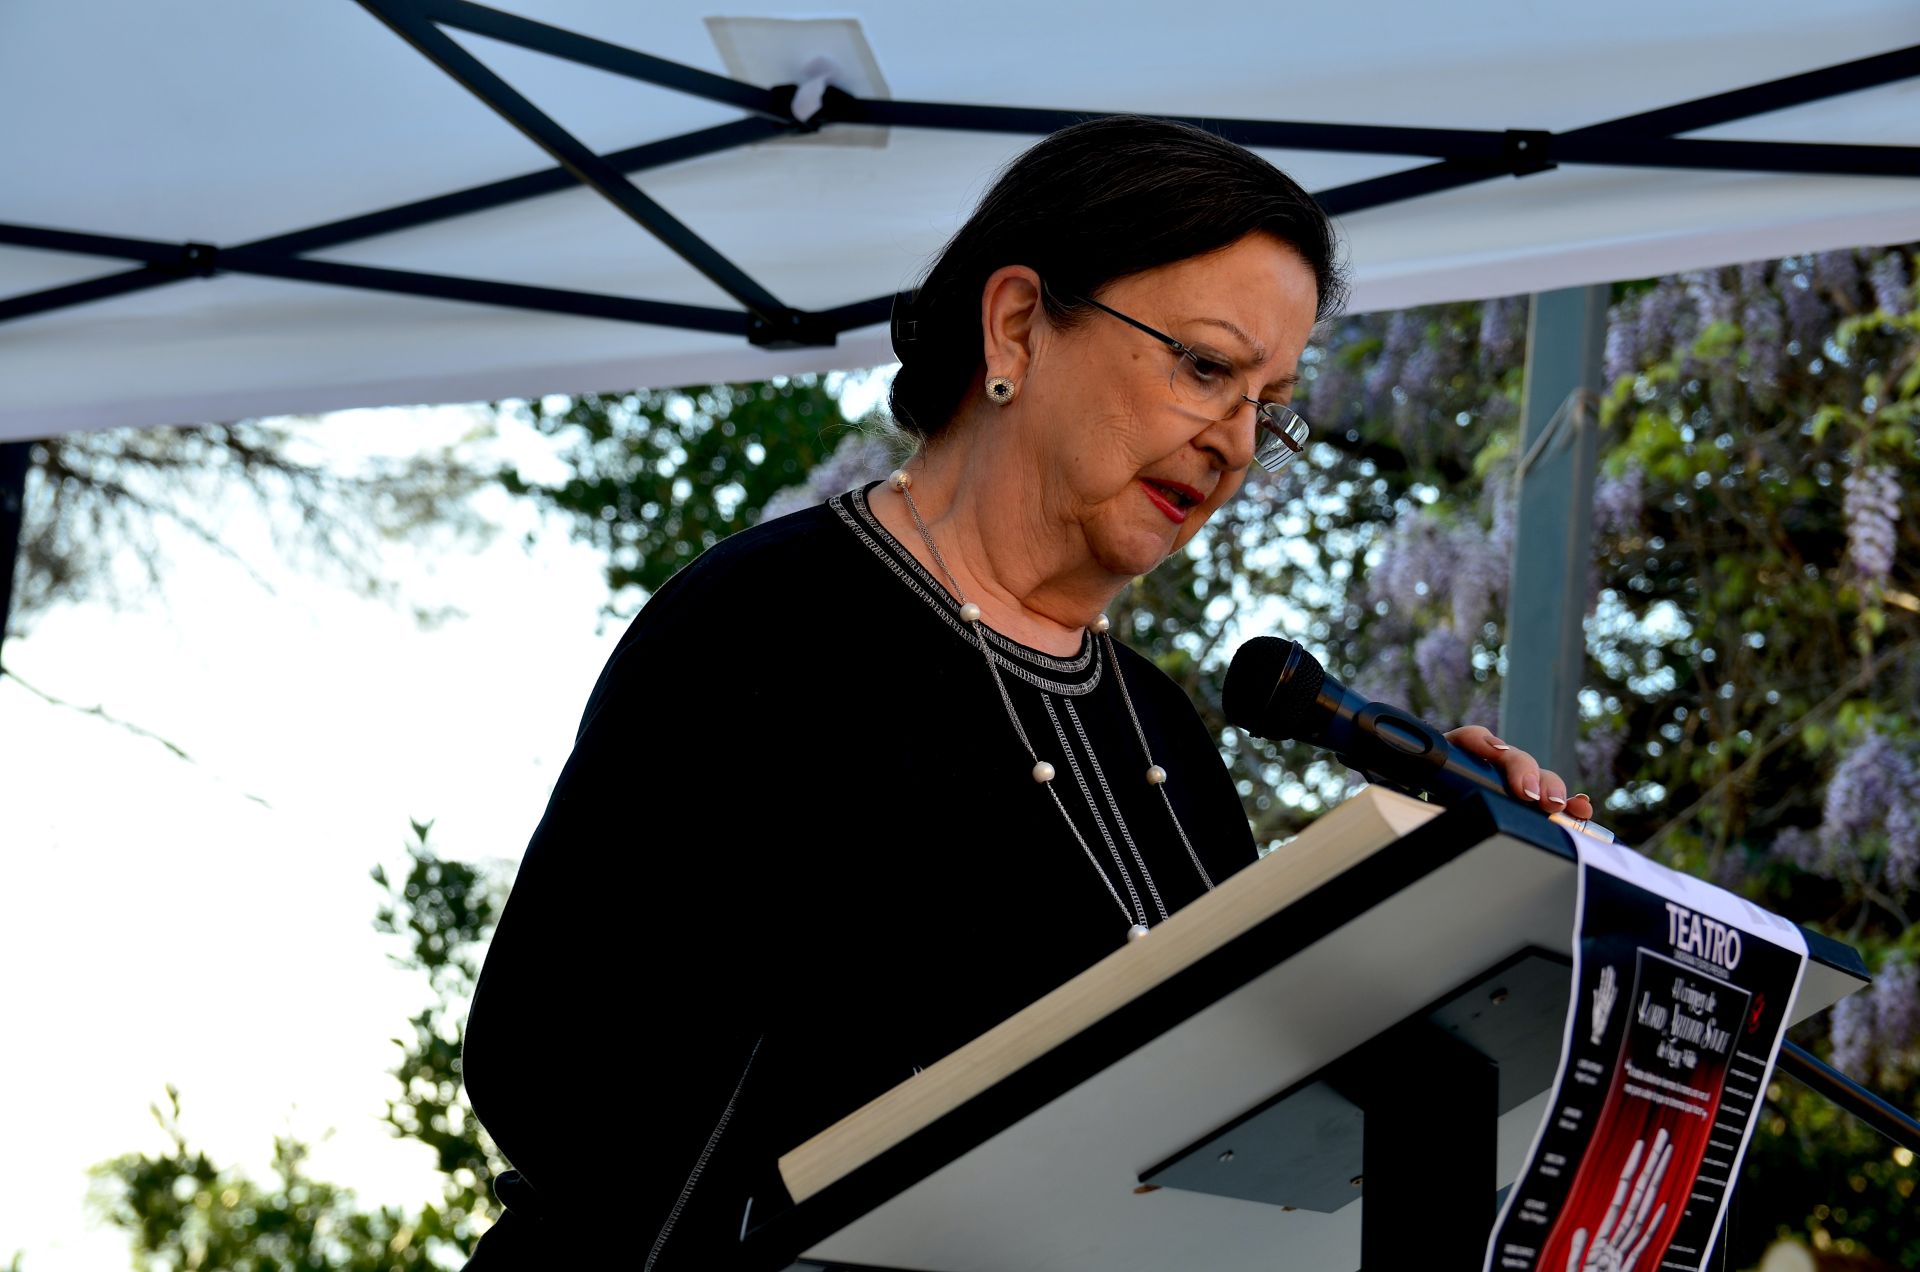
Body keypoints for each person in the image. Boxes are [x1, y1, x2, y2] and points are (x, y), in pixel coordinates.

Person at [458, 115, 1593, 1268]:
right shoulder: (772, 624)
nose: (1238, 443)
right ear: (1016, 327)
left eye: (1269, 403)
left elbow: (1237, 1136)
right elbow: (553, 1070)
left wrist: (1442, 913)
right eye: (1206, 367)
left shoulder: (1163, 732)